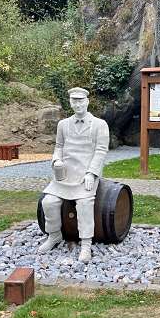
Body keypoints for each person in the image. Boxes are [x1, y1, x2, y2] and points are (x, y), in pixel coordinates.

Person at [38, 87, 110, 263]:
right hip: (65, 173)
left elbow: (101, 151)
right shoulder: (63, 124)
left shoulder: (100, 125)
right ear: (70, 102)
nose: (77, 104)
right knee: (48, 202)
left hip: (85, 173)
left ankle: (86, 244)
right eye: (73, 101)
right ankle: (54, 235)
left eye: (80, 101)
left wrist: (92, 174)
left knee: (84, 203)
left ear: (87, 101)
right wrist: (56, 161)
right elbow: (59, 147)